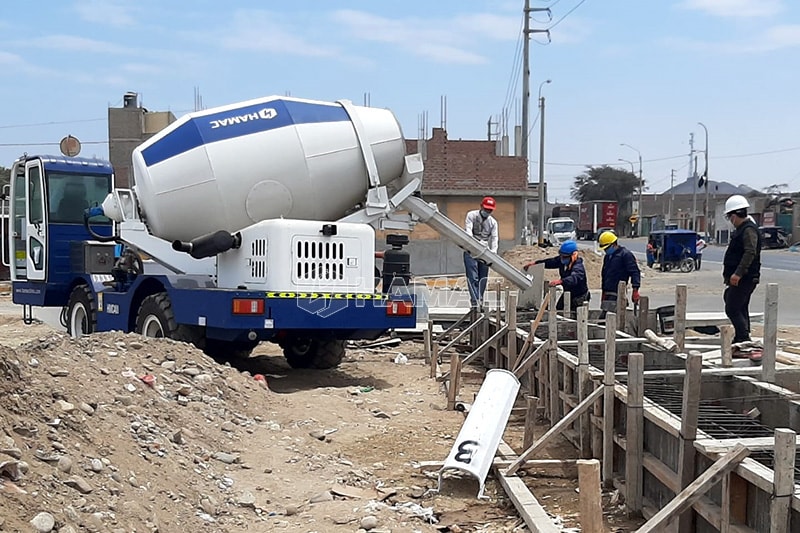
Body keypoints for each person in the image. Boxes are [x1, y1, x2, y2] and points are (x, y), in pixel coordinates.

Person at [722, 194, 763, 360]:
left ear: (734, 215)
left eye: (730, 217)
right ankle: (742, 338)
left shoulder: (748, 230)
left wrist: (738, 273)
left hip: (745, 277)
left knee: (732, 308)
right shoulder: (743, 229)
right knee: (739, 305)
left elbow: (750, 252)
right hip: (741, 277)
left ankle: (744, 339)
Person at [524, 240, 590, 312]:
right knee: (558, 311)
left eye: (565, 257)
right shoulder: (562, 261)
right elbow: (551, 262)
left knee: (574, 316)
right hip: (567, 293)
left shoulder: (578, 266)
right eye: (561, 256)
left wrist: (560, 281)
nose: (562, 259)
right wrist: (536, 263)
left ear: (573, 255)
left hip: (579, 297)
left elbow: (574, 278)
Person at [464, 196, 499, 307]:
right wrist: (473, 243)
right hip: (471, 249)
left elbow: (495, 238)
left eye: (490, 210)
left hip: (484, 251)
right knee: (472, 276)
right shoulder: (472, 215)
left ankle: (480, 299)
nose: (487, 212)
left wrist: (493, 251)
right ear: (481, 206)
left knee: (483, 277)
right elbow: (468, 231)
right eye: (486, 209)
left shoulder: (493, 222)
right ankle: (475, 301)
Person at [598, 230, 641, 316]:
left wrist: (635, 290)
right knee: (605, 318)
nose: (605, 251)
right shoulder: (607, 257)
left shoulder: (625, 255)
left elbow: (635, 272)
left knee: (609, 318)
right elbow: (605, 275)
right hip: (608, 294)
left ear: (613, 244)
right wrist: (604, 292)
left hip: (618, 294)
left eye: (606, 248)